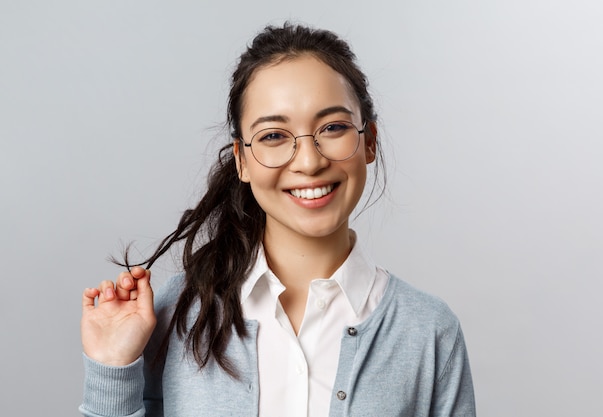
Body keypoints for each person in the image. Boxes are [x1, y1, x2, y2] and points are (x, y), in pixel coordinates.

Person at [79, 23, 476, 417]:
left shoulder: (428, 331)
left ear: (368, 140)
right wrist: (112, 369)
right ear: (241, 160)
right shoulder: (179, 313)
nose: (309, 161)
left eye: (333, 127)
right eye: (273, 135)